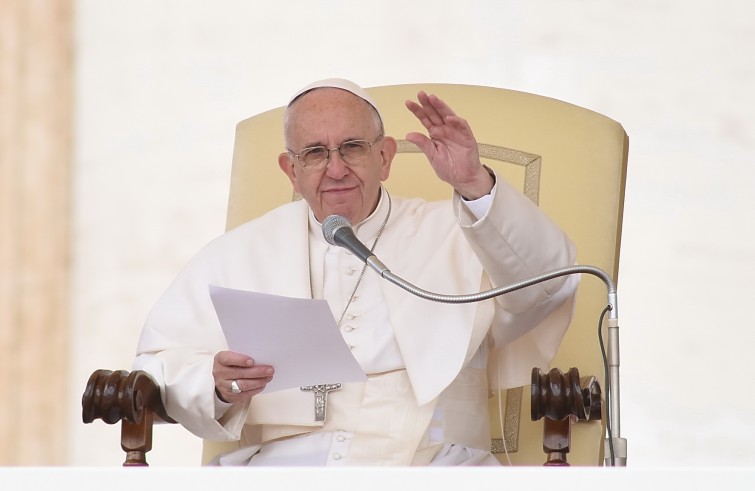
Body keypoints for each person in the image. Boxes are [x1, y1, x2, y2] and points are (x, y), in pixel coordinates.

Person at [133, 78, 579, 466]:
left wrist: (474, 184)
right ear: (291, 170)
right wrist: (214, 385)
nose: (336, 169)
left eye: (352, 147)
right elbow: (159, 362)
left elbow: (547, 283)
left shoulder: (460, 231)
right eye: (314, 153)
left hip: (433, 463)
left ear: (385, 157)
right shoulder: (241, 252)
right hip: (284, 468)